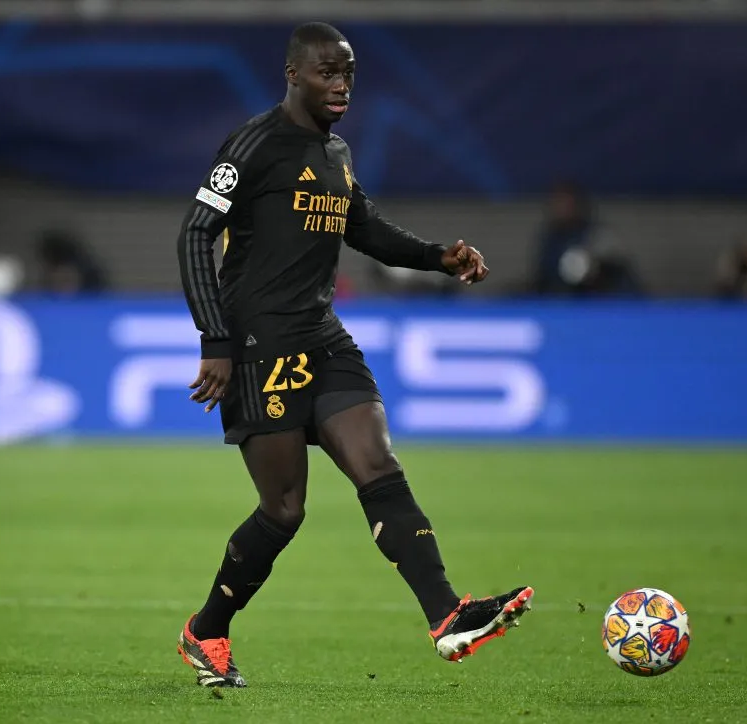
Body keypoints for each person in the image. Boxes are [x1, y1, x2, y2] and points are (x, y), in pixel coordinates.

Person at [174, 22, 533, 688]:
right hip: (260, 346)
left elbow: (362, 226)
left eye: (348, 73)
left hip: (323, 336)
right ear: (293, 75)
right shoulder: (251, 146)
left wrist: (436, 257)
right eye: (326, 72)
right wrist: (215, 341)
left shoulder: (335, 152)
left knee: (377, 461)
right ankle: (206, 631)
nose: (340, 85)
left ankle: (447, 614)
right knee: (284, 510)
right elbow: (195, 234)